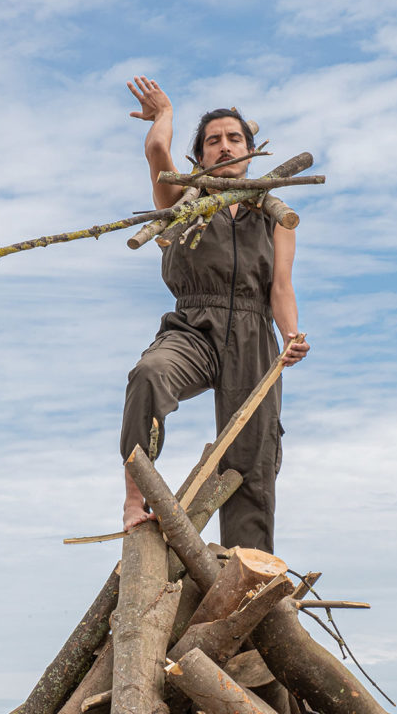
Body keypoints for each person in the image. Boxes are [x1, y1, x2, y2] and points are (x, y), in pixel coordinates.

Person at [120, 75, 310, 553]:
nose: (224, 147)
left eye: (234, 139)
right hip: (193, 325)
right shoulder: (180, 202)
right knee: (149, 373)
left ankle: (248, 574)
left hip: (255, 335)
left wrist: (291, 334)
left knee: (251, 455)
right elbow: (156, 155)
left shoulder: (275, 214)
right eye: (212, 141)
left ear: (251, 150)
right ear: (199, 157)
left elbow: (280, 288)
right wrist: (163, 116)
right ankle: (135, 497)